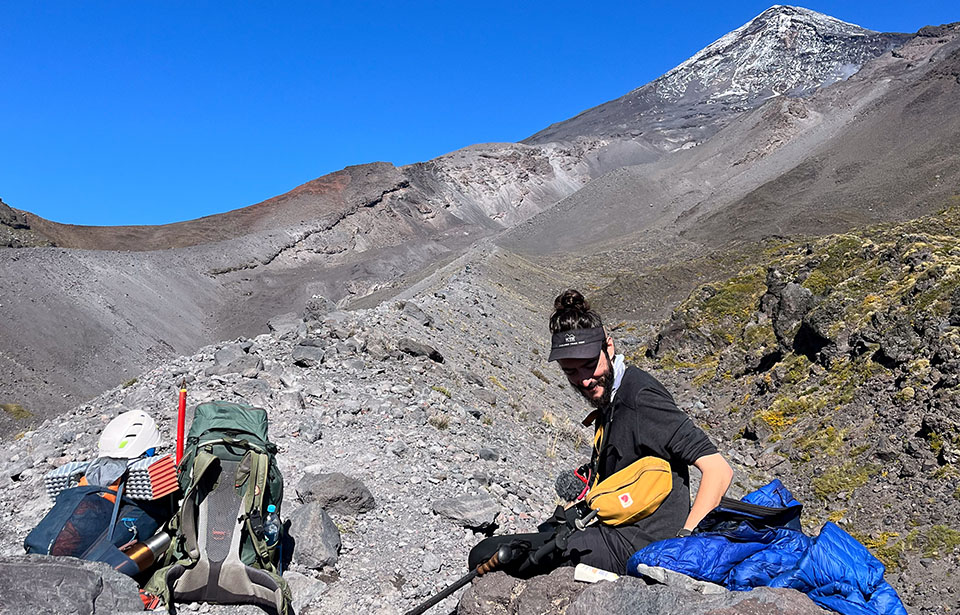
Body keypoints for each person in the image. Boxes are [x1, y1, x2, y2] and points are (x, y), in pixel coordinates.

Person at [468, 289, 733, 576]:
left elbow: (718, 470)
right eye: (570, 371)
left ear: (609, 346)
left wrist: (685, 543)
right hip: (615, 525)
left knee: (485, 554)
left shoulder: (641, 398)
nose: (583, 379)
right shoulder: (612, 396)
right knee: (542, 532)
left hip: (640, 545)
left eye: (589, 364)